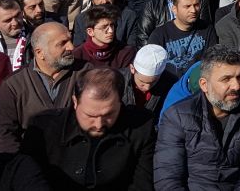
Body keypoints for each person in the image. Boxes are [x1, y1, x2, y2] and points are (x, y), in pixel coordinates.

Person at [21, 67, 156, 191]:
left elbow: (142, 184)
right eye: (90, 115)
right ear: (75, 102)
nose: (98, 124)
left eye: (109, 115)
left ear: (120, 103)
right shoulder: (44, 128)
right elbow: (28, 180)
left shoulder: (140, 128)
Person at [156, 45, 240, 191]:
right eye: (226, 79)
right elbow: (168, 178)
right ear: (204, 85)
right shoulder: (176, 116)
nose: (236, 85)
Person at [0, 21, 81, 153]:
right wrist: (22, 165)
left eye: (70, 40)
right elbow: (4, 134)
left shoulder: (86, 75)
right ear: (39, 53)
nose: (71, 47)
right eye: (62, 43)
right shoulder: (14, 84)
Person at [145, 0, 214, 78]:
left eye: (196, 5)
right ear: (174, 9)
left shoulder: (207, 28)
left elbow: (212, 60)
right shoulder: (159, 35)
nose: (193, 10)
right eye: (187, 6)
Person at [73, 4, 137, 69]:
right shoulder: (78, 55)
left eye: (112, 25)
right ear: (90, 32)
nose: (111, 31)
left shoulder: (126, 52)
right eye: (104, 27)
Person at [122, 44, 174, 118]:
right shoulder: (118, 81)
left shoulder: (170, 83)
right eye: (142, 82)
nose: (147, 87)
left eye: (153, 82)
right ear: (132, 69)